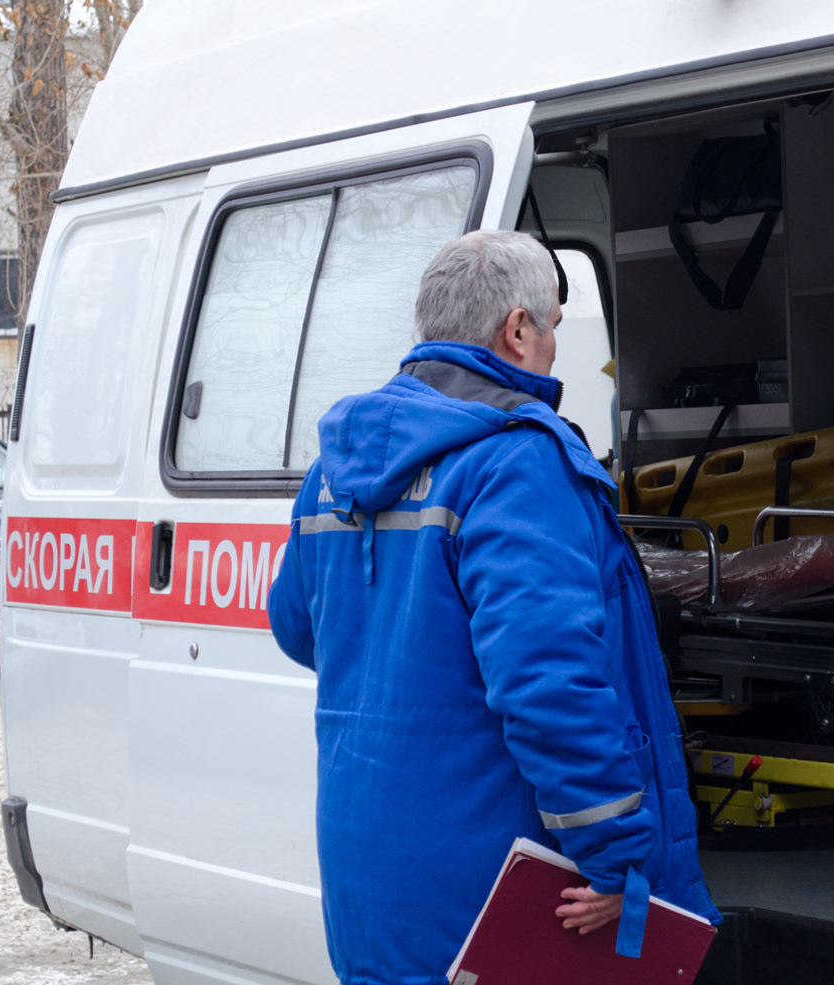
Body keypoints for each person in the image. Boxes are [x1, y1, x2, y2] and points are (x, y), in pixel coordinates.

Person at [267, 230, 719, 985]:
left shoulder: (331, 472)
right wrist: (619, 855)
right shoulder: (515, 460)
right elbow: (546, 681)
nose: (551, 351)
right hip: (494, 886)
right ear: (516, 329)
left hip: (370, 881)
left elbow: (299, 626)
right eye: (551, 331)